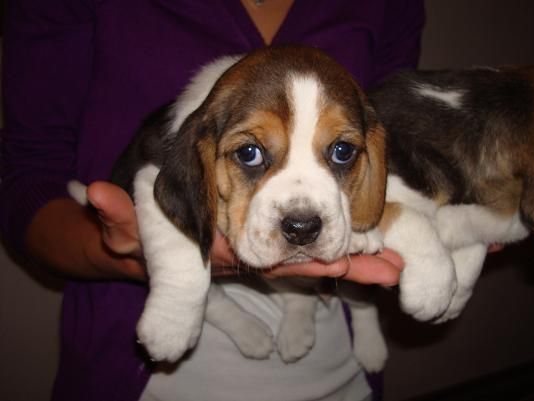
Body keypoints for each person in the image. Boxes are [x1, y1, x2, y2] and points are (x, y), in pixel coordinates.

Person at [0, 1, 424, 400]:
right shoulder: (184, 147)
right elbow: (27, 178)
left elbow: (395, 151)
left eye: (341, 151)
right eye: (250, 153)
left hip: (343, 375)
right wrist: (148, 261)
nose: (301, 217)